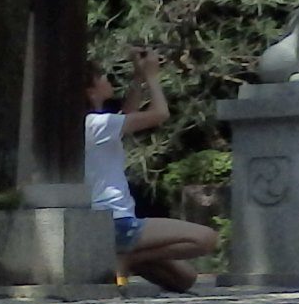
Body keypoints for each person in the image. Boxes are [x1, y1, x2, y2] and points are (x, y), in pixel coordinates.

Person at [85, 46, 219, 291]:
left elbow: (127, 115)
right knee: (206, 238)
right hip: (116, 222)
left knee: (184, 279)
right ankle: (120, 260)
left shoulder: (92, 124)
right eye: (101, 76)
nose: (107, 79)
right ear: (91, 88)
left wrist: (138, 78)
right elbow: (160, 114)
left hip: (105, 224)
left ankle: (125, 259)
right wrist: (151, 76)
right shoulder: (97, 124)